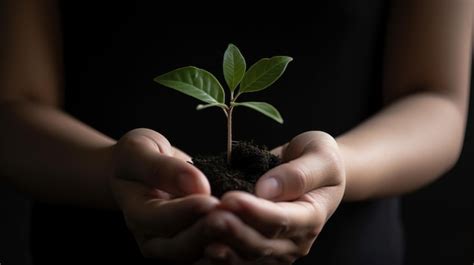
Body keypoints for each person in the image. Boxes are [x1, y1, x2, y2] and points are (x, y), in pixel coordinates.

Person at [0, 0, 471, 264]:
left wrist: (337, 167)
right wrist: (110, 168)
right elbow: (12, 107)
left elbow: (436, 99)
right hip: (94, 246)